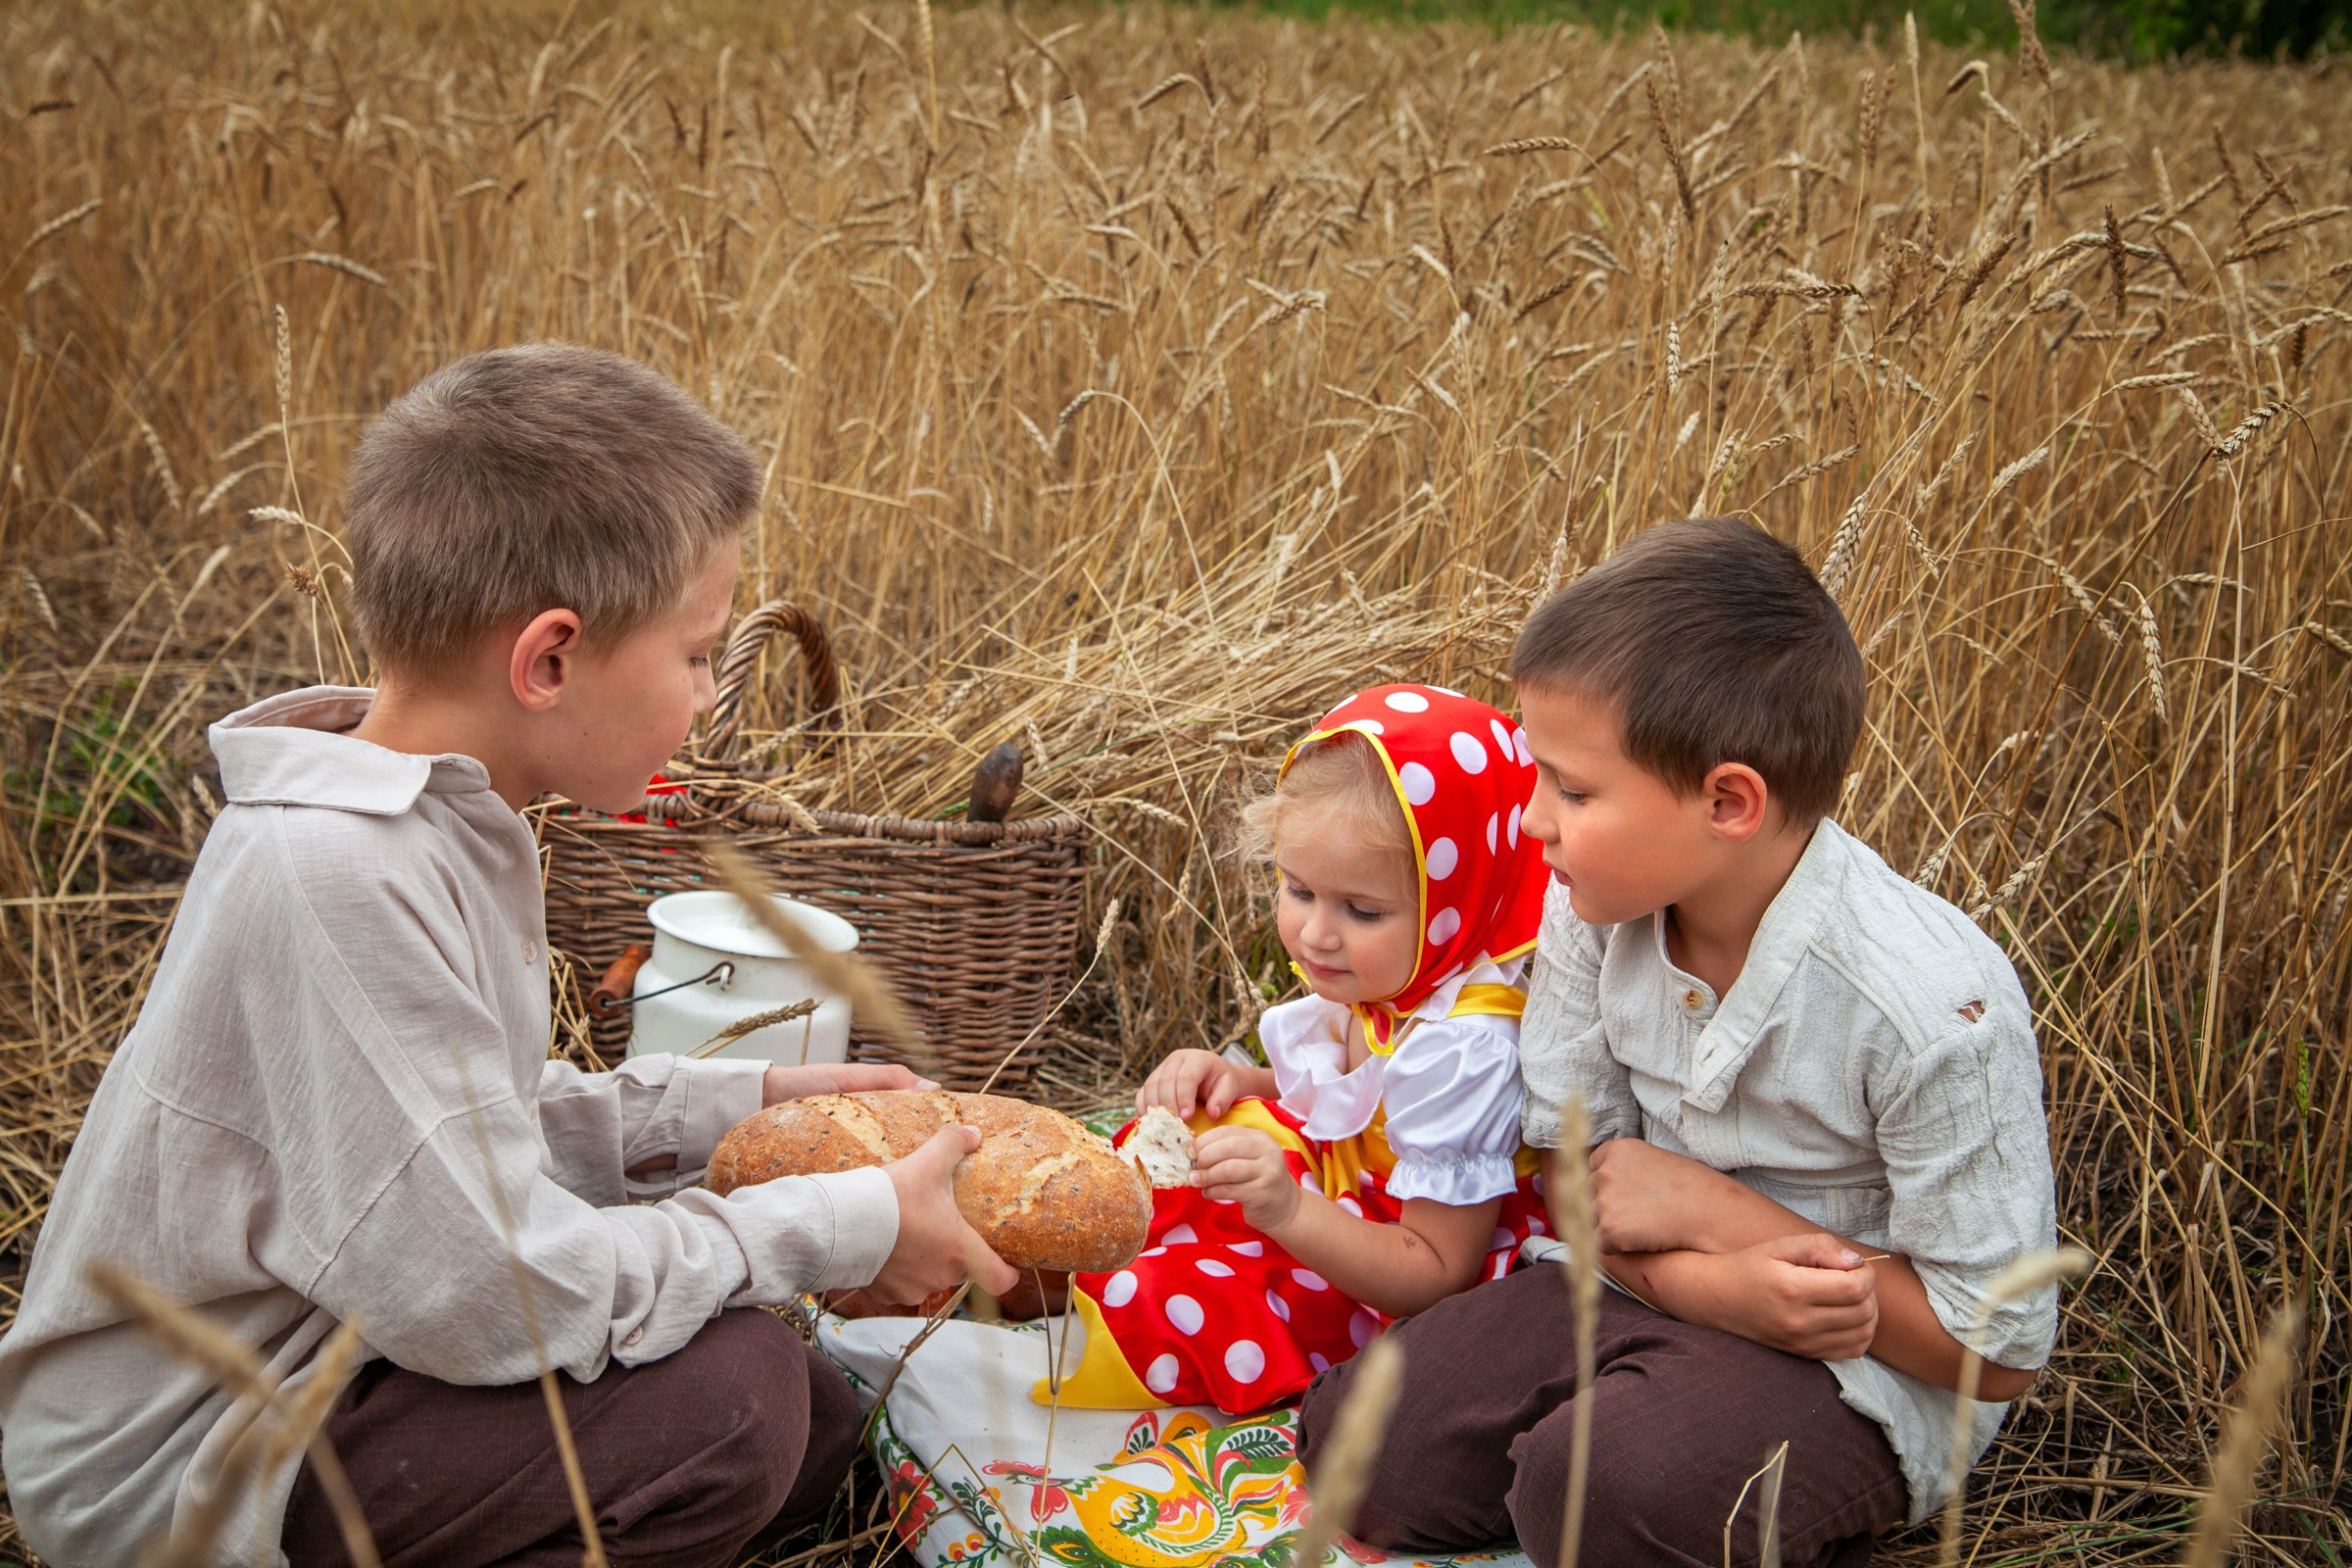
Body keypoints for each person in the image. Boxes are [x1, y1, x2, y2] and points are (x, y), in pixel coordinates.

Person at [0, 346, 1020, 1568]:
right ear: (548, 660)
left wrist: (732, 1108)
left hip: (340, 1337)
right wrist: (836, 1225)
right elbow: (491, 1289)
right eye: (697, 654)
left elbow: (457, 1134)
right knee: (731, 1406)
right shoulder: (335, 872)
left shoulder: (439, 819)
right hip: (194, 1457)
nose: (708, 696)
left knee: (819, 1423)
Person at [1298, 518, 2059, 1568]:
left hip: (1856, 1363)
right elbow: (1575, 1179)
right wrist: (1710, 1286)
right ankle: (1645, 1435)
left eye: (1573, 790)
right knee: (1362, 1442)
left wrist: (1720, 1216)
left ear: (1728, 801)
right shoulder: (1588, 911)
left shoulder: (1929, 1006)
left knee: (1596, 1493)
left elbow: (1997, 1350)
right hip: (1632, 1278)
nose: (1532, 821)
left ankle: (1742, 1486)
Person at [1042, 685, 1552, 1415]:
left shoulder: (1462, 1050)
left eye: (1361, 910)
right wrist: (1234, 1077)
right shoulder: (1402, 976)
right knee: (1197, 1141)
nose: (1315, 933)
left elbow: (1437, 1274)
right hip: (1346, 1190)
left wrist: (1287, 1212)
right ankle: (1052, 1262)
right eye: (1298, 890)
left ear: (1462, 902)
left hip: (1394, 1271)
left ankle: (1142, 1318)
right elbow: (1353, 1102)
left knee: (1182, 1293)